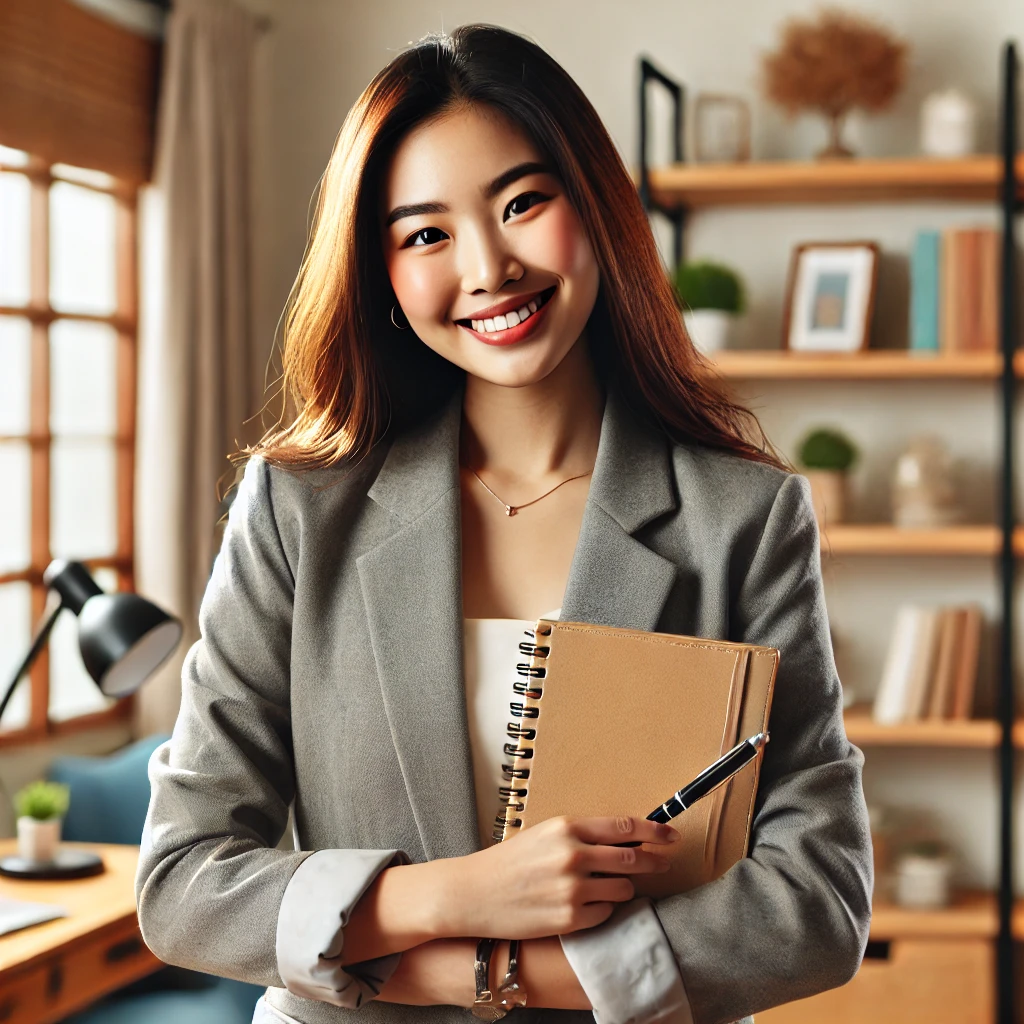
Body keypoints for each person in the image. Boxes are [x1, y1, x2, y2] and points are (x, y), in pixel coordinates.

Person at [135, 23, 873, 1024]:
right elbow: (181, 881)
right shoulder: (296, 509)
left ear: (596, 208)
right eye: (425, 233)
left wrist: (451, 967)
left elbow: (818, 900)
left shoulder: (743, 518)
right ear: (381, 270)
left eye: (523, 203)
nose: (488, 267)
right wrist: (453, 898)